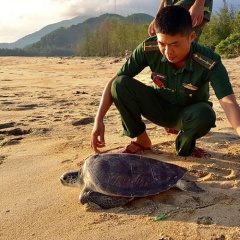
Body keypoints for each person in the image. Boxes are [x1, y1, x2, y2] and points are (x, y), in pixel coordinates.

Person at [91, 6, 240, 158]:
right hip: (159, 107)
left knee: (205, 114)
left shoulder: (209, 61)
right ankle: (141, 141)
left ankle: (184, 145)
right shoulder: (148, 49)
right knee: (120, 84)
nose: (168, 51)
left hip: (188, 115)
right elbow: (114, 82)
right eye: (162, 44)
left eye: (175, 44)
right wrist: (99, 119)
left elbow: (229, 102)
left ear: (192, 37)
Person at [148, 0, 213, 42]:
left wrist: (199, 4)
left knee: (183, 44)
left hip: (190, 4)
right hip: (171, 4)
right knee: (166, 43)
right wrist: (158, 16)